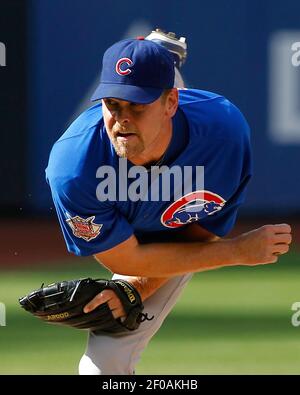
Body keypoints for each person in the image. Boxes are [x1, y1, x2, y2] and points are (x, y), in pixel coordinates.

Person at [45, 29, 292, 375]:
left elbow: (198, 233)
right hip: (134, 237)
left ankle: (159, 60)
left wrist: (137, 290)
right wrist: (238, 252)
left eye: (136, 105)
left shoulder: (224, 135)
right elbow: (129, 259)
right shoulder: (72, 167)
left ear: (171, 102)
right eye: (112, 105)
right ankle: (156, 60)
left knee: (104, 363)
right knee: (103, 369)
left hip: (174, 230)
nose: (122, 120)